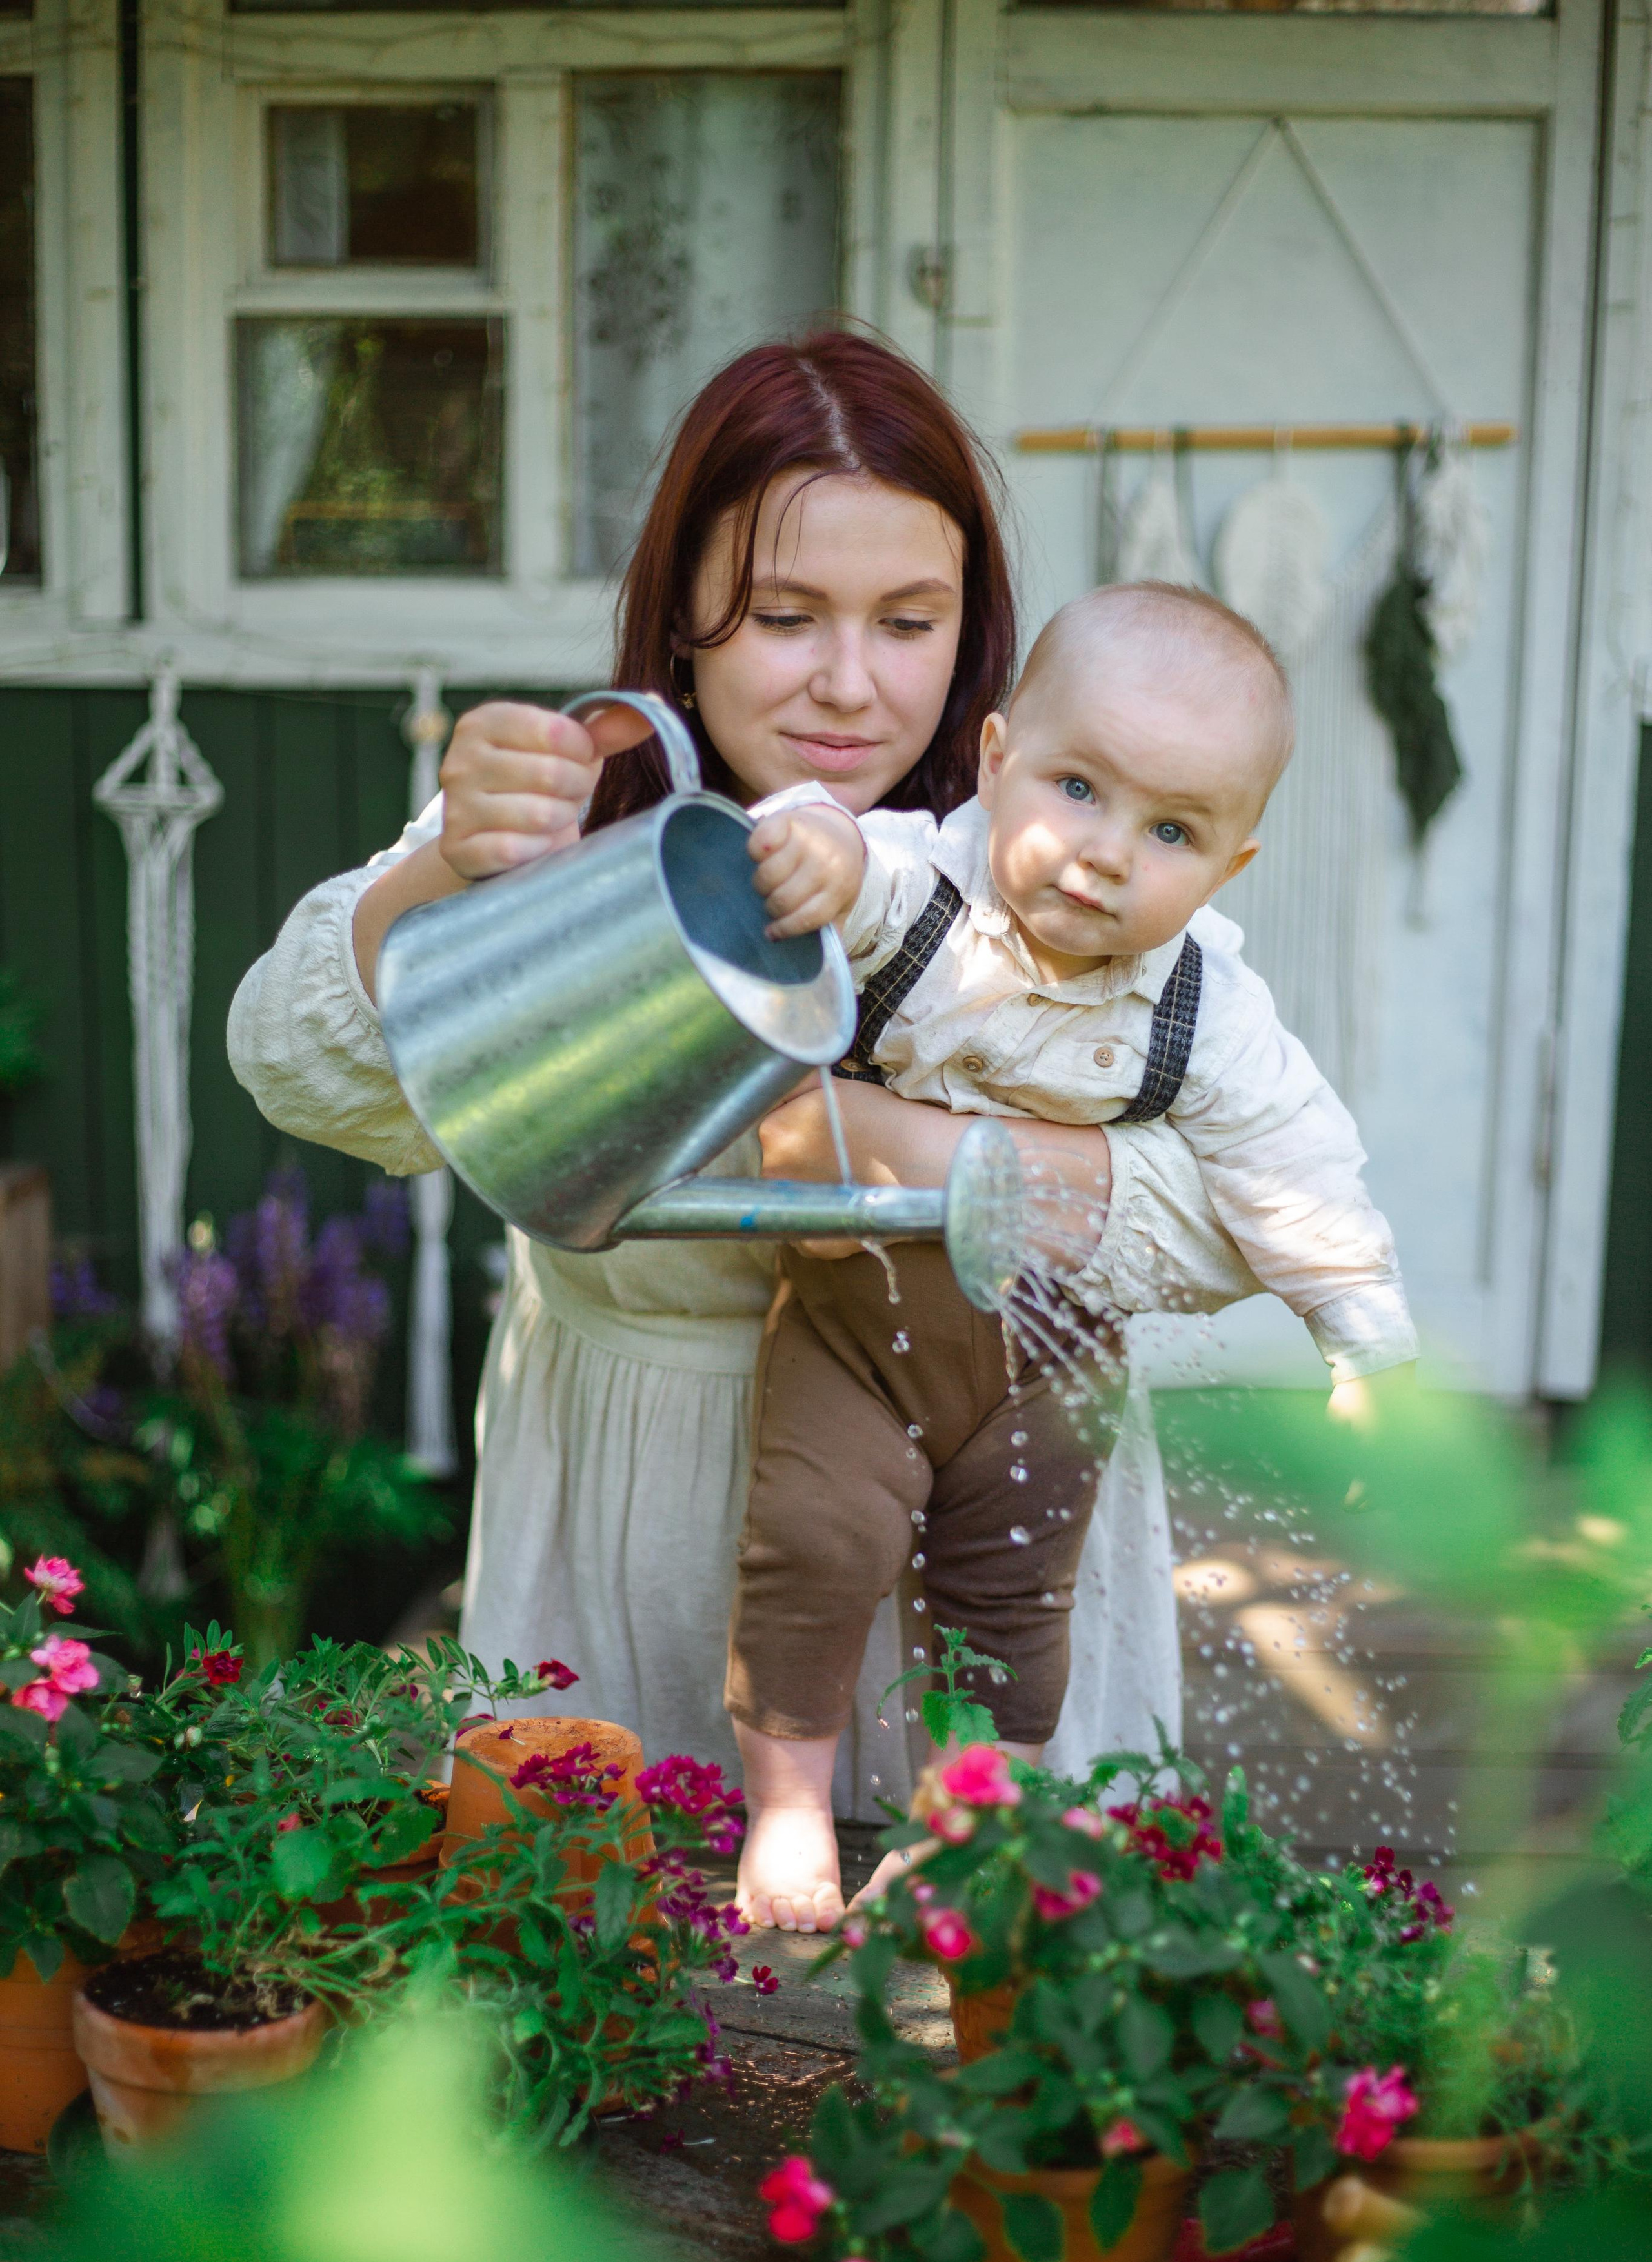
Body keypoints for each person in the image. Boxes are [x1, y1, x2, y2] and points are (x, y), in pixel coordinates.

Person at [226, 330, 1260, 1930]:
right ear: (684, 621)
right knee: (633, 2004)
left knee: (997, 2015)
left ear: (968, 628)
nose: (850, 682)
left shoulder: (1061, 841)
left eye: (907, 623)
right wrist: (434, 881)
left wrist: (914, 1159)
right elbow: (298, 1074)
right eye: (784, 618)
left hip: (988, 1531)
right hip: (653, 1507)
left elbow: (1238, 1203)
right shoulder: (593, 811)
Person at [725, 581, 1416, 1921]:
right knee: (807, 1545)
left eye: (1169, 830)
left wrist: (1362, 1345)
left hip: (1049, 1355)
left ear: (1228, 869)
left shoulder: (1202, 1003)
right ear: (993, 765)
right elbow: (835, 854)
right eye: (1077, 789)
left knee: (1011, 1600)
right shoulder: (922, 889)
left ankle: (962, 1828)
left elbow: (1295, 1161)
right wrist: (805, 848)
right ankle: (790, 1809)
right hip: (852, 1334)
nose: (1104, 853)